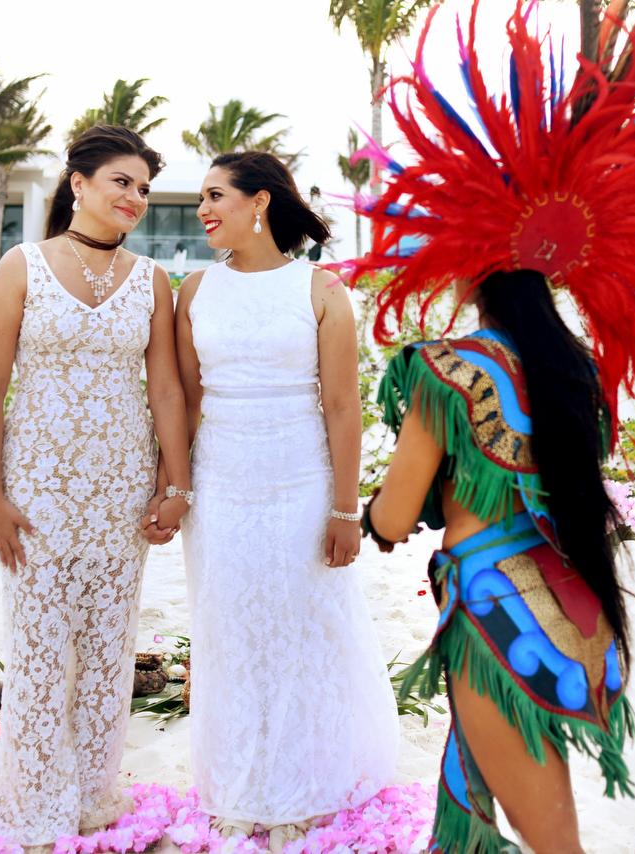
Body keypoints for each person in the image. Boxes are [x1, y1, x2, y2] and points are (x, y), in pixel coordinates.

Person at [346, 3, 635, 851]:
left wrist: (371, 516)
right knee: (482, 809)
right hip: (565, 600)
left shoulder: (444, 369)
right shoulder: (573, 371)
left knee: (553, 841)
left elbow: (390, 513)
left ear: (467, 265)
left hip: (492, 618)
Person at [160, 150, 396, 850]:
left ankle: (303, 788)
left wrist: (346, 509)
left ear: (258, 202)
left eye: (214, 196)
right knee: (228, 632)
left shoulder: (321, 290)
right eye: (200, 198)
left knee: (300, 632)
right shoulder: (194, 291)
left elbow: (342, 406)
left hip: (302, 484)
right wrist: (173, 484)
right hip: (222, 487)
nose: (202, 210)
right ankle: (235, 787)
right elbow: (186, 397)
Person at [0, 125, 192, 853]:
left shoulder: (152, 279)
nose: (135, 197)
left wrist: (175, 483)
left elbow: (164, 386)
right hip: (37, 487)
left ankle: (95, 795)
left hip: (121, 490)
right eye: (122, 181)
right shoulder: (21, 265)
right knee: (38, 647)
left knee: (106, 647)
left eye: (144, 188)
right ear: (79, 183)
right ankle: (35, 798)